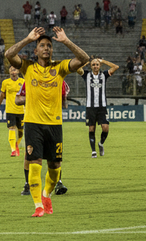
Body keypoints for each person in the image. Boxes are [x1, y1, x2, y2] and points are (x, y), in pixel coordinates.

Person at [5, 27, 89, 217]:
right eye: (42, 45)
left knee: (55, 169)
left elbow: (84, 60)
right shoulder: (28, 68)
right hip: (33, 124)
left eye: (49, 46)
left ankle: (46, 195)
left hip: (54, 125)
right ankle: (38, 206)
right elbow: (9, 54)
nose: (46, 48)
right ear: (35, 51)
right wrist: (27, 39)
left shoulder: (60, 68)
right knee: (34, 164)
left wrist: (66, 41)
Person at [82, 57, 120, 158]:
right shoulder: (86, 75)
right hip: (90, 107)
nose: (95, 66)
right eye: (93, 64)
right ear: (91, 66)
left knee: (105, 128)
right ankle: (93, 151)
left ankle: (101, 144)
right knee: (91, 129)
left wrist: (103, 61)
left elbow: (116, 67)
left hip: (102, 107)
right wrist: (84, 63)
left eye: (97, 64)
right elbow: (76, 69)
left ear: (100, 66)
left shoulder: (104, 75)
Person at [0, 66, 24, 157]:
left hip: (22, 110)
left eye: (15, 69)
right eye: (11, 70)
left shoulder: (23, 82)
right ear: (9, 72)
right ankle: (13, 150)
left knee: (20, 131)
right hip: (10, 110)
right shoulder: (5, 82)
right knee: (11, 128)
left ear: (18, 71)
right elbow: (2, 95)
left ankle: (16, 144)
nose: (13, 71)